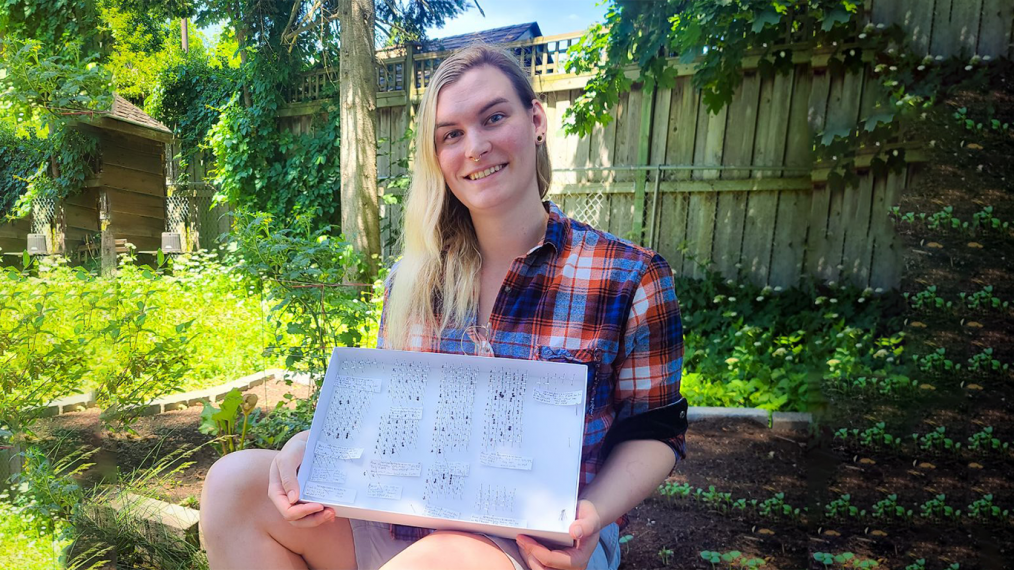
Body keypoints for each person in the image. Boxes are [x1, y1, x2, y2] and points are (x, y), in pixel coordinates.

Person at [200, 44, 688, 570]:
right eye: (451, 134)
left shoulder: (629, 275)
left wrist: (592, 513)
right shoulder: (410, 281)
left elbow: (655, 430)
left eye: (493, 118)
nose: (474, 147)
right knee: (235, 485)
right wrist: (311, 449)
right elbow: (389, 417)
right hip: (405, 524)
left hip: (543, 544)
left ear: (536, 120)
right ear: (437, 157)